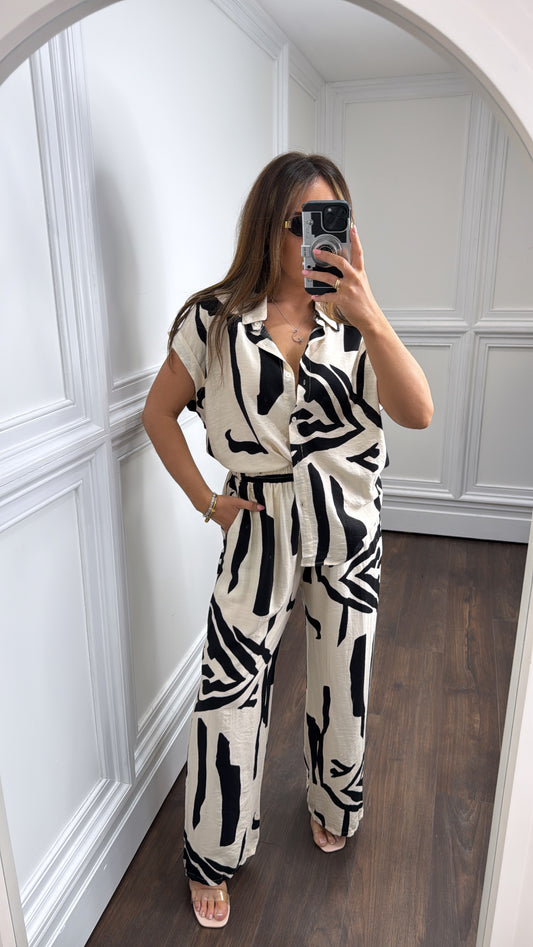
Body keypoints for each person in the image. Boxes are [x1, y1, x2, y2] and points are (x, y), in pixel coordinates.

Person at [142, 152, 433, 929]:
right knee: (228, 689)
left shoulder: (355, 318)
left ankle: (334, 800)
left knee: (343, 678)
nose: (317, 238)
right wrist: (209, 501)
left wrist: (369, 315)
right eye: (303, 222)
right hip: (257, 524)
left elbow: (417, 411)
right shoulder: (212, 319)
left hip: (345, 525)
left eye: (332, 220)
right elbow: (157, 414)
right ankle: (214, 853)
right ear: (268, 226)